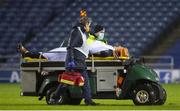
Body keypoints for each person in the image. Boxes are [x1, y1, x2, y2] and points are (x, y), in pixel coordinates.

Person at [51, 16, 99, 106]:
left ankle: (88, 101)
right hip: (74, 61)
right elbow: (71, 47)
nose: (90, 27)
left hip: (80, 61)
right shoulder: (76, 32)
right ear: (86, 24)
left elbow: (93, 35)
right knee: (66, 82)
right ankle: (54, 98)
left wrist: (90, 31)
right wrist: (71, 61)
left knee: (85, 82)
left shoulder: (83, 32)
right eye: (89, 25)